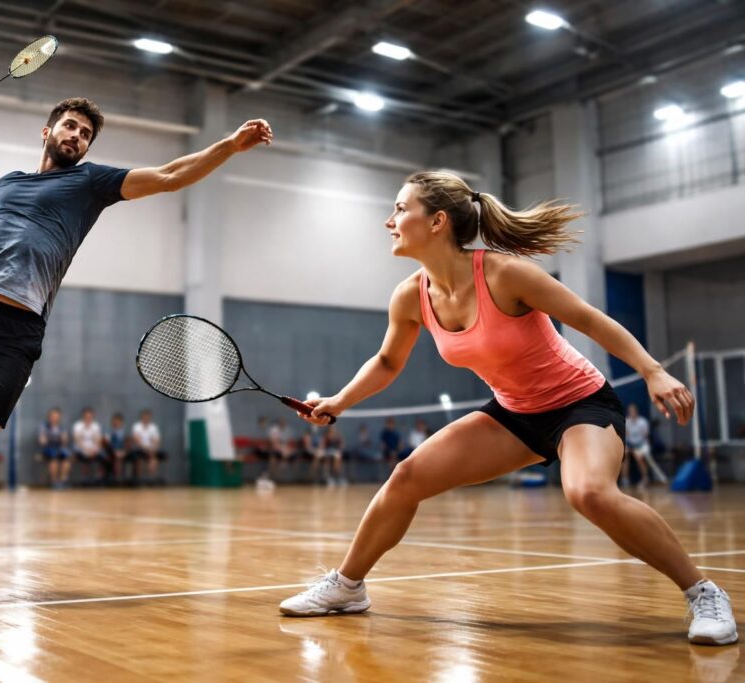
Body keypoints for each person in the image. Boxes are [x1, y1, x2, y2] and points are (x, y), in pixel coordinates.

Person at [278, 171, 736, 645]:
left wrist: (653, 371)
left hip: (579, 404)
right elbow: (388, 361)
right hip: (514, 414)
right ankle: (347, 586)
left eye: (400, 209)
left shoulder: (503, 274)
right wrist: (339, 401)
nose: (389, 221)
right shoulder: (411, 295)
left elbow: (588, 319)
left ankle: (703, 592)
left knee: (589, 493)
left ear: (437, 221)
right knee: (407, 476)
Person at [0, 95, 272, 574]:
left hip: (16, 334)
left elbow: (170, 175)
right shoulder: (10, 184)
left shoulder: (90, 183)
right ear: (47, 132)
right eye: (69, 126)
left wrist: (229, 145)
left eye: (85, 134)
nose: (77, 137)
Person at [622, 403, 655, 489]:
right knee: (624, 455)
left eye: (633, 411)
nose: (632, 413)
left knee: (638, 456)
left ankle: (645, 479)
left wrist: (636, 447)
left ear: (636, 412)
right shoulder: (626, 422)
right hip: (630, 445)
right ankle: (625, 480)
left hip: (642, 445)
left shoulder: (643, 422)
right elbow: (626, 436)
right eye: (630, 411)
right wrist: (630, 447)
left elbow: (645, 436)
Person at [38, 407, 71, 490]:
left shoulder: (61, 427)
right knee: (54, 457)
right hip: (48, 447)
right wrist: (45, 439)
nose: (55, 418)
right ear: (49, 417)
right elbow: (42, 440)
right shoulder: (44, 426)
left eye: (57, 416)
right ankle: (54, 481)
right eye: (53, 416)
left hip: (59, 447)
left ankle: (63, 480)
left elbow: (65, 441)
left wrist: (64, 439)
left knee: (66, 457)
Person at [130, 409, 165, 485]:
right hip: (140, 449)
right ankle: (139, 481)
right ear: (141, 417)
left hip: (151, 450)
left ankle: (152, 480)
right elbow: (136, 440)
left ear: (150, 417)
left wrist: (153, 449)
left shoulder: (153, 427)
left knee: (153, 459)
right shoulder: (137, 426)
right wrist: (145, 448)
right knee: (137, 458)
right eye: (144, 416)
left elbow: (156, 441)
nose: (146, 418)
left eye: (147, 416)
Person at [72, 407, 105, 484]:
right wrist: (86, 450)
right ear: (83, 416)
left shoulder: (96, 426)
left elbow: (98, 440)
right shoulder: (77, 425)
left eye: (90, 416)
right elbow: (77, 440)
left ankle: (99, 477)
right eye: (86, 416)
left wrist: (94, 449)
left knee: (103, 455)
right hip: (81, 448)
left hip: (93, 449)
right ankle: (84, 479)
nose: (88, 418)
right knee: (82, 455)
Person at [106, 412, 130, 485]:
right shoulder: (110, 433)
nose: (116, 423)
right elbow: (109, 445)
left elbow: (127, 445)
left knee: (121, 458)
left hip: (123, 452)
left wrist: (124, 452)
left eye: (118, 421)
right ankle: (114, 478)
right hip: (112, 452)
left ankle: (122, 478)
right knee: (114, 458)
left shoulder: (125, 433)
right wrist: (115, 452)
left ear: (121, 422)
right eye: (115, 422)